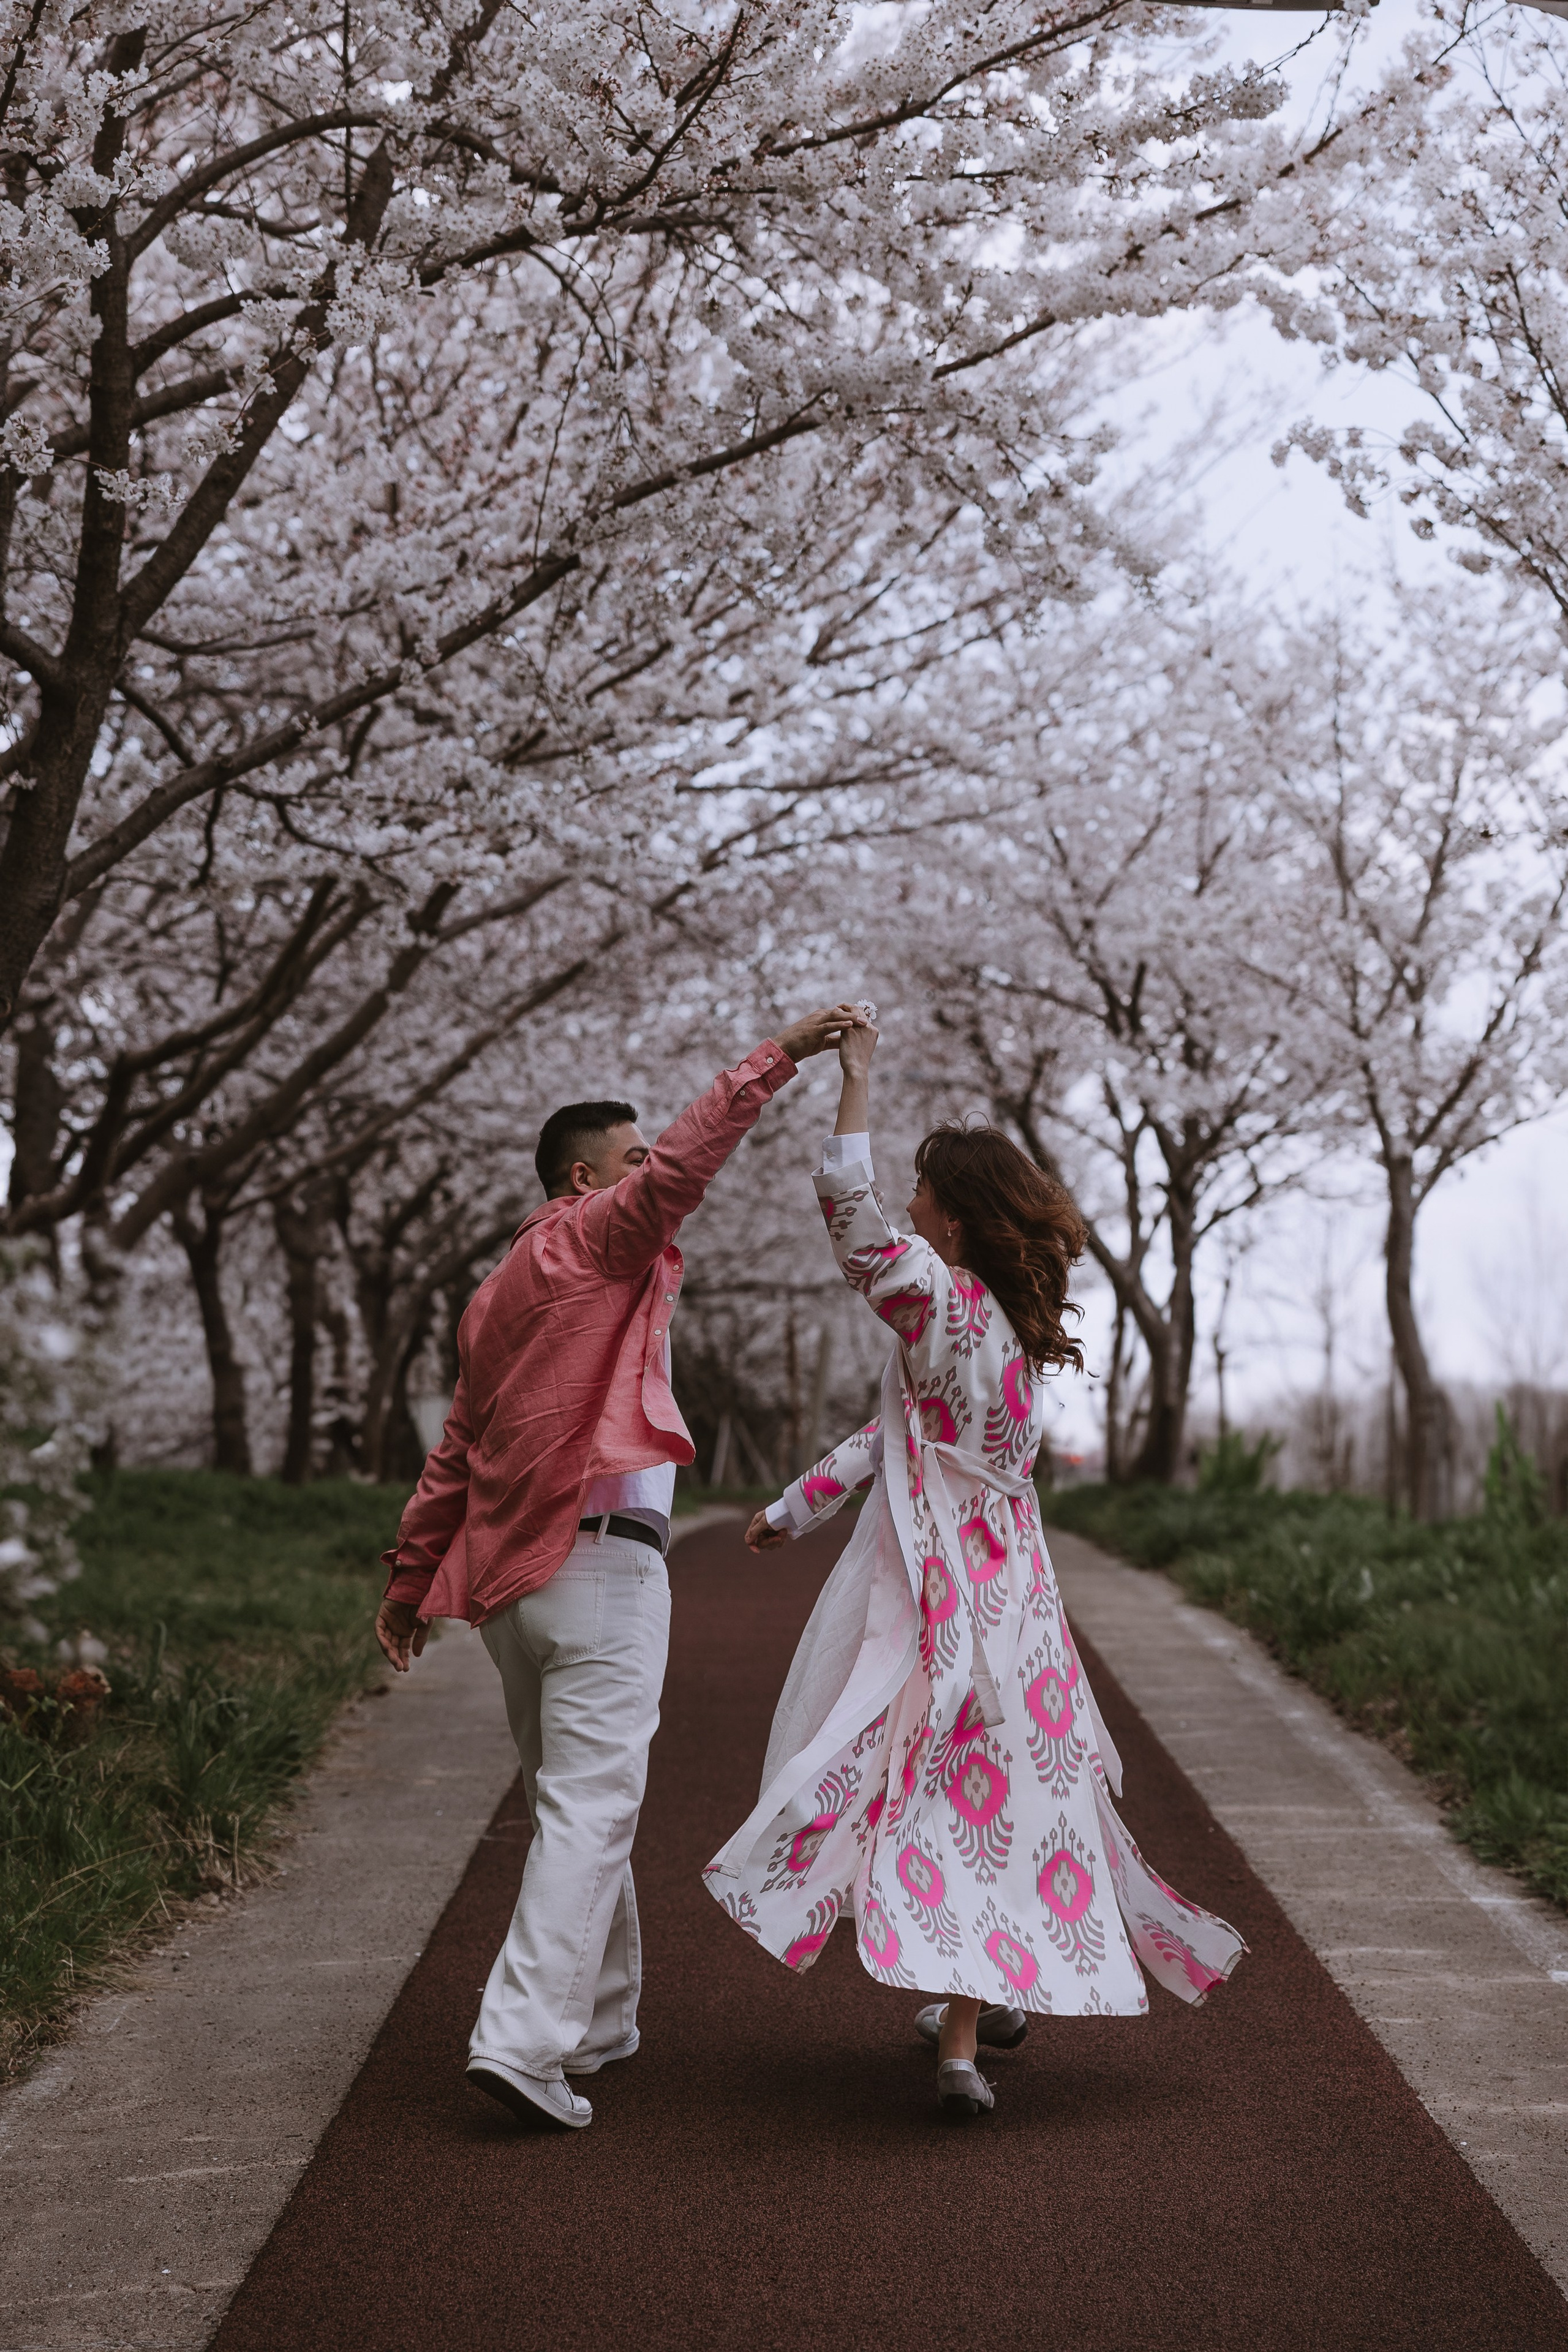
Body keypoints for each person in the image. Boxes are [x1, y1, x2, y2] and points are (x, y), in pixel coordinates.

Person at [704, 1018, 1246, 2117]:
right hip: (1021, 1603)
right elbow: (893, 1437)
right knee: (995, 1789)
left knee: (897, 1766)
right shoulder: (1011, 1334)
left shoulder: (941, 1303)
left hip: (934, 1588)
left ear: (951, 1215)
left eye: (921, 1192)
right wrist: (791, 1507)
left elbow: (853, 1228)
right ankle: (963, 2037)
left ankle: (960, 2019)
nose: (907, 1204)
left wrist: (854, 1082)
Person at [375, 1005, 863, 2132]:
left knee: (581, 1805)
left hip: (514, 1592)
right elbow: (688, 1164)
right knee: (590, 1809)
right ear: (580, 1177)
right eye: (630, 1159)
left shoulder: (496, 1294)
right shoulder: (596, 1235)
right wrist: (779, 1057)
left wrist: (408, 1583)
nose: (651, 1172)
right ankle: (521, 2043)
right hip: (601, 1576)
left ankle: (597, 2021)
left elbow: (457, 1447)